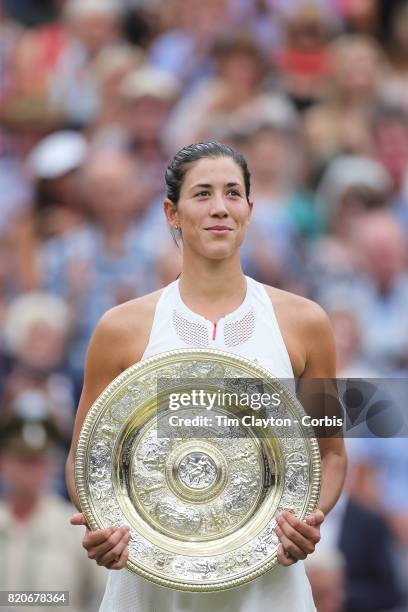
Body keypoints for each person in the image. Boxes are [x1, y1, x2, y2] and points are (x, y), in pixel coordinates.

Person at [66, 141, 347, 611]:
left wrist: (308, 518)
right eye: (202, 194)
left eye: (233, 193)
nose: (220, 208)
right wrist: (103, 524)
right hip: (150, 581)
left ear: (250, 210)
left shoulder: (305, 322)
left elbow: (331, 453)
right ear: (172, 213)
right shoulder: (120, 328)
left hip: (266, 582)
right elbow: (85, 457)